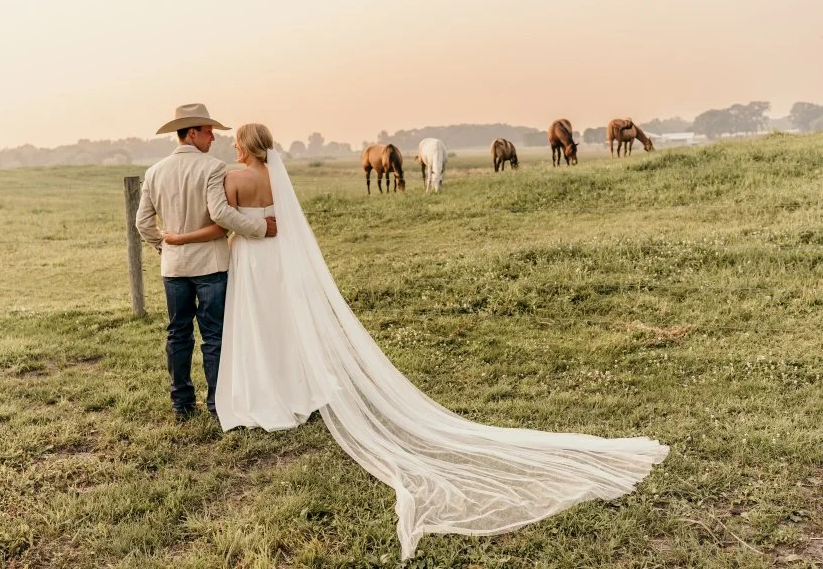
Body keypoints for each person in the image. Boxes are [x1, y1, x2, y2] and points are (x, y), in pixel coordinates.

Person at [163, 123, 669, 560]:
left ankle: (261, 394)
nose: (228, 146)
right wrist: (264, 226)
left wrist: (192, 238)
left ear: (245, 146)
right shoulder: (278, 177)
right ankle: (294, 391)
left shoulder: (229, 176)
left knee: (253, 327)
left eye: (235, 141)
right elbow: (283, 223)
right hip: (277, 261)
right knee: (283, 325)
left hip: (250, 259)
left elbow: (225, 219)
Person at [136, 104, 277, 422]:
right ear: (192, 132)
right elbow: (221, 214)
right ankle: (216, 403)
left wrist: (164, 246)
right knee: (213, 334)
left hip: (173, 267)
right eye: (208, 130)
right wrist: (259, 227)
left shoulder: (154, 171)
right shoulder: (214, 168)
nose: (214, 137)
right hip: (211, 265)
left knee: (178, 332)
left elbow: (143, 223)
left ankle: (182, 404)